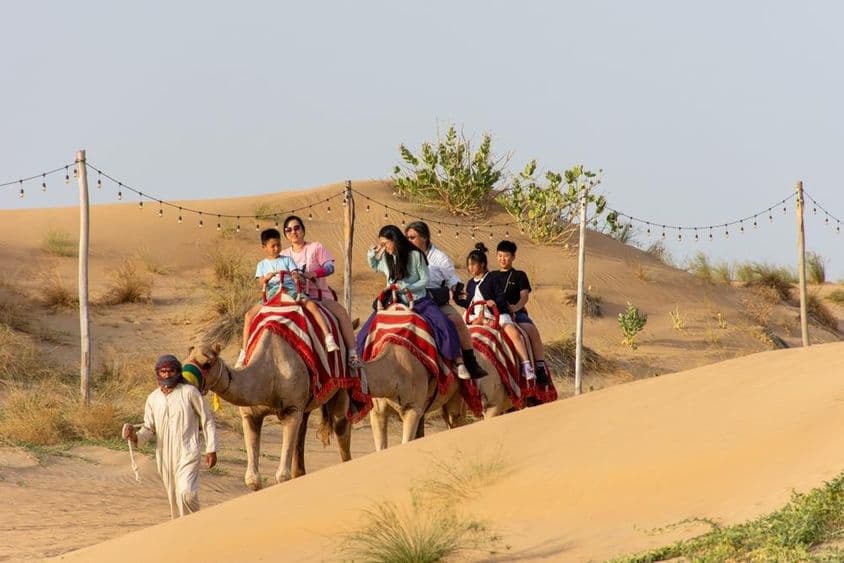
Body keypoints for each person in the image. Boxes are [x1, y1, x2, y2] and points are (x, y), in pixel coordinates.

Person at [356, 225, 469, 379]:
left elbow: (424, 280)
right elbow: (375, 266)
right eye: (381, 244)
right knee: (367, 328)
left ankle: (458, 360)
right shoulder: (388, 257)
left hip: (418, 300)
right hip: (393, 301)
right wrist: (371, 254)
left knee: (443, 323)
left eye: (385, 243)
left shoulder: (416, 255)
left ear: (394, 240)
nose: (384, 247)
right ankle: (357, 359)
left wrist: (406, 287)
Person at [121, 355, 218, 519]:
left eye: (170, 371)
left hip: (188, 450)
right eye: (163, 372)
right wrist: (134, 437)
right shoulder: (153, 398)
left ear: (178, 372)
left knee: (187, 493)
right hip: (165, 456)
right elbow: (148, 429)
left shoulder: (189, 392)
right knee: (174, 499)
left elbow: (207, 420)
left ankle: (196, 526)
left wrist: (212, 449)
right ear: (158, 374)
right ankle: (183, 533)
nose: (167, 375)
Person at [238, 228, 339, 367]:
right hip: (272, 293)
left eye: (278, 245)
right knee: (249, 316)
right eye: (273, 246)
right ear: (264, 247)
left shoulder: (287, 259)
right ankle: (244, 351)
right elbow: (260, 282)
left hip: (289, 289)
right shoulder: (261, 265)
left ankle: (328, 336)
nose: (276, 248)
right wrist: (265, 278)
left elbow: (294, 272)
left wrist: (295, 275)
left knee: (311, 305)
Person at [279, 215, 363, 369]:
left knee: (341, 313)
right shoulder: (284, 255)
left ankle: (352, 354)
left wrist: (314, 274)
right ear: (285, 234)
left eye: (297, 228)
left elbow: (330, 267)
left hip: (319, 297)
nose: (293, 232)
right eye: (288, 230)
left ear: (303, 230)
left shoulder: (316, 247)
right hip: (293, 298)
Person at [404, 221, 486, 378]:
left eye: (412, 237)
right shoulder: (404, 257)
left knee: (456, 320)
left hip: (435, 300)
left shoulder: (441, 259)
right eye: (407, 237)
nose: (409, 241)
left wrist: (456, 288)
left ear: (425, 238)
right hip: (408, 300)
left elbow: (452, 280)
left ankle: (468, 361)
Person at [455, 243, 536, 380]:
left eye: (474, 264)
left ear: (482, 264)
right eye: (469, 264)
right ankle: (459, 363)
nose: (471, 268)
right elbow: (470, 302)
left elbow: (501, 296)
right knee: (457, 331)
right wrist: (456, 298)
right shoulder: (470, 283)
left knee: (513, 333)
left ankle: (526, 365)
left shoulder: (493, 278)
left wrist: (494, 303)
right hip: (475, 314)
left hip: (496, 313)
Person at [494, 240, 549, 384]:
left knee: (531, 330)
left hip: (516, 313)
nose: (502, 259)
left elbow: (524, 296)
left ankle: (539, 367)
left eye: (506, 256)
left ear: (513, 257)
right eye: (499, 256)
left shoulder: (519, 275)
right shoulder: (491, 276)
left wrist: (515, 308)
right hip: (494, 313)